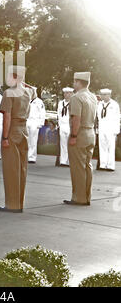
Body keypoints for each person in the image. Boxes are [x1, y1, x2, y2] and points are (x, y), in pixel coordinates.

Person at [0, 65, 35, 213]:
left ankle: (12, 204)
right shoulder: (28, 92)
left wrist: (5, 137)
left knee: (11, 169)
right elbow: (33, 91)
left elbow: (7, 116)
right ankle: (19, 202)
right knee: (22, 168)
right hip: (24, 129)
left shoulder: (9, 93)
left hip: (12, 129)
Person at [64, 72, 97, 206]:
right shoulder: (92, 97)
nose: (73, 84)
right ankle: (87, 196)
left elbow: (76, 118)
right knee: (87, 166)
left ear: (78, 82)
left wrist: (73, 136)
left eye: (74, 81)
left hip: (80, 134)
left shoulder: (76, 97)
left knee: (78, 168)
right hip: (90, 133)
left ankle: (79, 198)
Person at [97, 88, 120, 171]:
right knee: (102, 147)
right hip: (102, 128)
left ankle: (110, 166)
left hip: (111, 129)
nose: (104, 96)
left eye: (106, 94)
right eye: (103, 95)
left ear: (109, 95)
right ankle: (103, 164)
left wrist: (116, 130)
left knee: (110, 147)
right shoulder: (100, 104)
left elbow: (117, 118)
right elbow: (98, 117)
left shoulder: (114, 104)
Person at [27, 87, 46, 163]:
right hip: (27, 121)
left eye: (32, 92)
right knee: (26, 140)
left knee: (33, 140)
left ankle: (32, 157)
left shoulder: (39, 102)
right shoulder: (27, 100)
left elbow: (42, 113)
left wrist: (40, 123)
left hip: (35, 122)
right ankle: (26, 156)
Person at [57, 87, 74, 166]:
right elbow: (59, 114)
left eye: (68, 93)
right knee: (63, 144)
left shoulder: (74, 103)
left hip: (70, 125)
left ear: (71, 94)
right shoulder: (61, 103)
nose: (66, 95)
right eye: (65, 93)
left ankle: (71, 161)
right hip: (62, 125)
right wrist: (59, 124)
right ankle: (63, 161)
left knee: (70, 145)